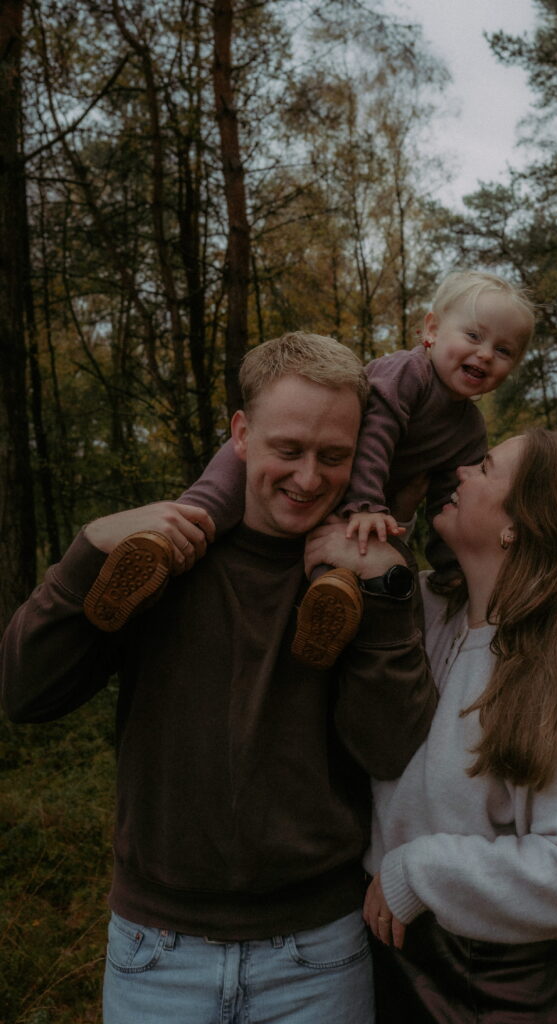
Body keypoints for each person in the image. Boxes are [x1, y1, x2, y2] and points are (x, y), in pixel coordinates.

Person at [0, 332, 438, 1024]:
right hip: (157, 953)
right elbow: (24, 693)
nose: (307, 478)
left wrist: (385, 596)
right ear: (240, 434)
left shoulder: (360, 574)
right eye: (287, 450)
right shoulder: (161, 556)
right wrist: (87, 552)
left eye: (333, 457)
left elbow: (388, 749)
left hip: (317, 952)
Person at [318, 427, 557, 1023]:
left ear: (519, 526)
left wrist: (418, 870)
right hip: (402, 964)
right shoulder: (426, 615)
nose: (462, 474)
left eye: (484, 467)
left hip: (511, 989)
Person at [83, 270, 535, 671]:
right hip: (339, 479)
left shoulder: (470, 429)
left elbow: (447, 500)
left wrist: (449, 566)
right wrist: (367, 503)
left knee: (346, 553)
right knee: (208, 505)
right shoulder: (407, 373)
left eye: (504, 350)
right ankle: (158, 550)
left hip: (348, 494)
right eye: (474, 336)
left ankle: (329, 603)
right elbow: (374, 435)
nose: (485, 354)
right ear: (432, 329)